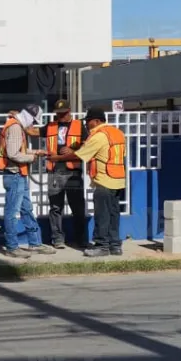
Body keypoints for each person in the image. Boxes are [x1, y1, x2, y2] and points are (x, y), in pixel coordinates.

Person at [48, 106, 126, 258]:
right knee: (114, 214)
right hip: (118, 180)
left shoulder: (99, 135)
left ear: (96, 121)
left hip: (104, 180)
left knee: (102, 215)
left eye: (88, 121)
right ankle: (115, 246)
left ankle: (102, 246)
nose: (86, 124)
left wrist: (57, 158)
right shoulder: (118, 133)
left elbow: (80, 155)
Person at [0, 103, 55, 258]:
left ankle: (35, 243)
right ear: (29, 117)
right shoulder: (15, 127)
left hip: (18, 175)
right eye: (34, 121)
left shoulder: (15, 125)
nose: (33, 125)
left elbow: (18, 149)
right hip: (14, 175)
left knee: (26, 210)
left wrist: (37, 151)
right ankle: (12, 247)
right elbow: (13, 154)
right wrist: (32, 157)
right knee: (12, 212)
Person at [44, 98, 87, 250]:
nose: (60, 116)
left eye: (63, 113)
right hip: (54, 171)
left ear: (69, 111)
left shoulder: (79, 125)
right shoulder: (50, 126)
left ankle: (81, 239)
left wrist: (73, 149)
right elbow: (33, 131)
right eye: (58, 113)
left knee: (78, 207)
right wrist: (18, 118)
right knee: (56, 207)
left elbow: (87, 145)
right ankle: (57, 239)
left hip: (73, 171)